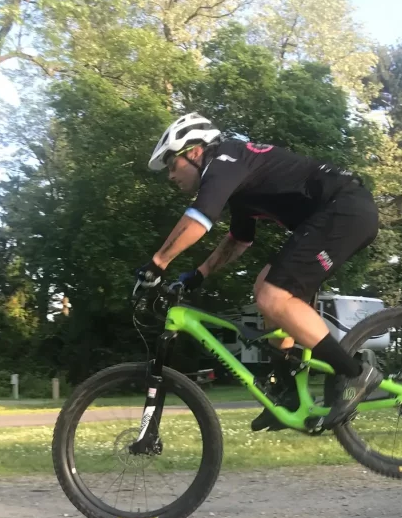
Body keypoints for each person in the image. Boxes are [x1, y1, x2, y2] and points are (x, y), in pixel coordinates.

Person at [134, 112, 381, 431]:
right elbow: (239, 239)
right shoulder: (238, 178)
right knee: (266, 289)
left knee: (273, 296)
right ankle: (286, 394)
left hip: (344, 208)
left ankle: (355, 373)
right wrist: (198, 274)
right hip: (334, 214)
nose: (170, 175)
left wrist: (157, 264)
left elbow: (200, 217)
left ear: (194, 152)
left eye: (172, 164)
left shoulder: (224, 160)